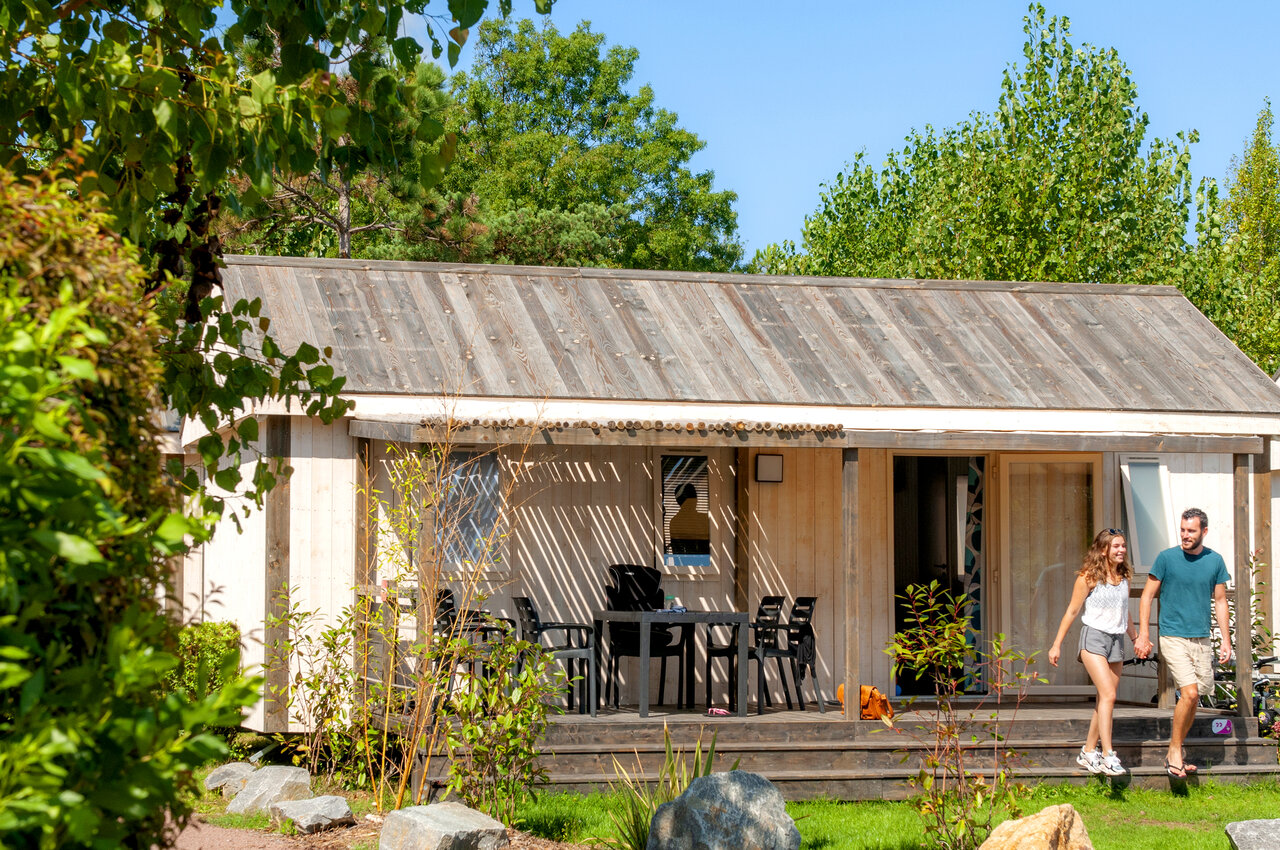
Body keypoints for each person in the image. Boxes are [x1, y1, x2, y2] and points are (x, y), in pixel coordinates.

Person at [1134, 507, 1232, 779]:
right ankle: (1174, 751)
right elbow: (1147, 596)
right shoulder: (1166, 558)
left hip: (1201, 638)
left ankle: (1176, 749)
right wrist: (1144, 634)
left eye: (1191, 531)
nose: (1185, 535)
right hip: (1172, 635)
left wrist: (1226, 640)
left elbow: (1220, 601)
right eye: (1182, 530)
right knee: (1188, 693)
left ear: (1204, 531)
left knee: (1195, 696)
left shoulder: (1215, 561)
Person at [1048, 528, 1137, 776]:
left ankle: (1088, 751)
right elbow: (1072, 611)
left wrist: (1136, 638)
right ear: (1103, 550)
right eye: (1116, 546)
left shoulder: (1124, 577)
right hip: (1094, 638)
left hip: (1116, 640)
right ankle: (1108, 754)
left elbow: (1125, 612)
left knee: (1105, 699)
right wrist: (1056, 644)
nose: (1121, 550)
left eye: (1123, 545)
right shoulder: (1088, 577)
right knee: (1108, 694)